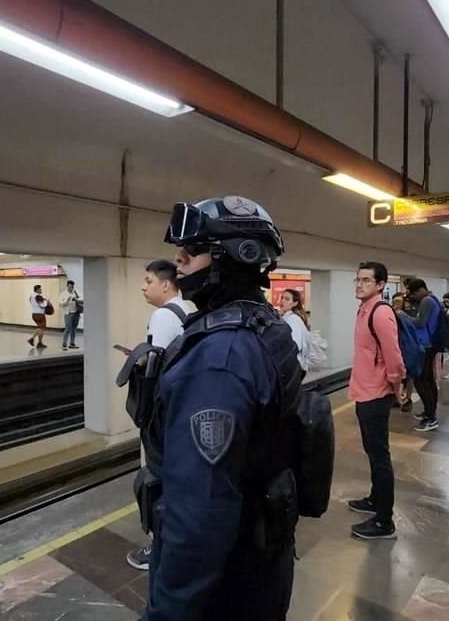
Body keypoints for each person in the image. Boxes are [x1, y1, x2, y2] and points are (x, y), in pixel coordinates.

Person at [139, 196, 304, 620]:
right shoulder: (264, 326)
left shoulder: (220, 358)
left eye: (192, 252)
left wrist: (168, 611)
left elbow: (202, 510)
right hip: (258, 555)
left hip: (223, 578)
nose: (179, 262)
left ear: (235, 257)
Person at [126, 259, 189, 572]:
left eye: (148, 281)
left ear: (166, 284)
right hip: (181, 412)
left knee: (153, 477)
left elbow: (157, 371)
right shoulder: (187, 310)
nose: (143, 286)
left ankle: (158, 544)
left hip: (161, 416)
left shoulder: (163, 315)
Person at [347, 261, 406, 540]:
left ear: (381, 284)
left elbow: (393, 356)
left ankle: (384, 520)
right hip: (363, 390)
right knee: (372, 451)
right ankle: (375, 498)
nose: (360, 284)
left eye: (366, 280)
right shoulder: (364, 309)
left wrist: (397, 387)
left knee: (380, 455)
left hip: (376, 393)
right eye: (358, 280)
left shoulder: (381, 313)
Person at [402, 279, 444, 432]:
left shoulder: (426, 301)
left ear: (421, 290)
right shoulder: (434, 299)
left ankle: (431, 418)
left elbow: (420, 322)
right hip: (430, 343)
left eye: (414, 293)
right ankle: (429, 412)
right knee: (428, 380)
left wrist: (402, 315)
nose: (414, 297)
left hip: (425, 345)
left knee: (421, 380)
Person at [279, 288, 311, 380]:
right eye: (282, 298)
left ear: (295, 303)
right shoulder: (287, 317)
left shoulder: (292, 319)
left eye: (287, 299)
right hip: (294, 366)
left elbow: (294, 345)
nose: (282, 301)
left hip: (294, 367)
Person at [392, 293, 415, 411]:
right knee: (400, 374)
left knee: (408, 375)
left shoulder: (404, 315)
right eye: (394, 301)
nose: (395, 303)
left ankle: (406, 398)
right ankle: (399, 397)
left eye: (398, 301)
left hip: (405, 347)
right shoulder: (392, 313)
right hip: (400, 347)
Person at [59, 280, 82, 351]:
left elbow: (81, 299)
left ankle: (72, 343)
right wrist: (67, 300)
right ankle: (64, 343)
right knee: (68, 328)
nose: (71, 288)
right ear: (67, 286)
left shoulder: (75, 292)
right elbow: (60, 304)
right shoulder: (63, 294)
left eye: (72, 287)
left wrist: (77, 300)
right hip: (68, 313)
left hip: (76, 312)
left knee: (74, 329)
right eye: (69, 287)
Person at [28, 284, 49, 349]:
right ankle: (32, 339)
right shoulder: (38, 296)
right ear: (37, 290)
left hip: (34, 313)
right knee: (41, 328)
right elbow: (43, 305)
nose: (41, 290)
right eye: (40, 289)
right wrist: (47, 302)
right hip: (40, 314)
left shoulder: (31, 296)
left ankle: (39, 343)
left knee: (41, 328)